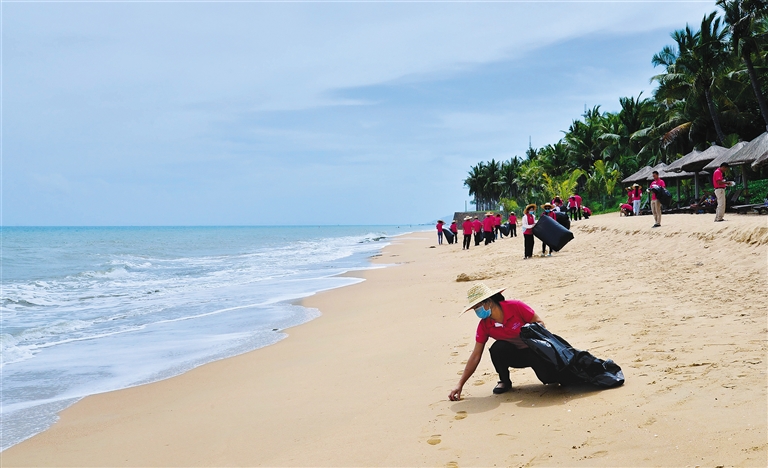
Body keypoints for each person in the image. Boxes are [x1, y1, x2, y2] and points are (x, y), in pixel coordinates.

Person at [448, 283, 555, 400]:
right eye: (474, 309)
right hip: (515, 356)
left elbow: (540, 323)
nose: (477, 311)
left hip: (535, 351)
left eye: (477, 307)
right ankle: (504, 381)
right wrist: (460, 384)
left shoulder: (516, 306)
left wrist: (527, 331)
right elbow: (475, 355)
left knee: (549, 380)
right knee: (497, 348)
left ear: (488, 301)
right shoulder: (484, 325)